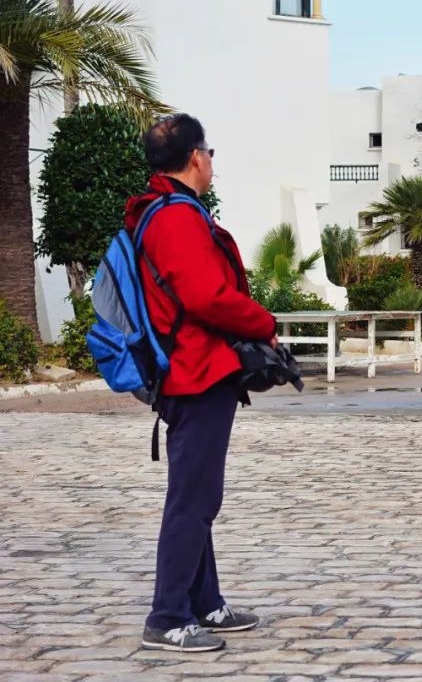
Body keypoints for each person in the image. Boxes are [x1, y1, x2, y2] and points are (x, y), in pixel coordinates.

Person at [129, 114, 277, 652]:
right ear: (196, 156)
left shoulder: (169, 210)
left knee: (198, 494)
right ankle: (167, 615)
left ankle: (205, 602)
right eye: (209, 151)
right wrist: (264, 323)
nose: (211, 160)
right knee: (192, 499)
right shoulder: (175, 217)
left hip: (197, 370)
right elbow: (206, 296)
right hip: (194, 374)